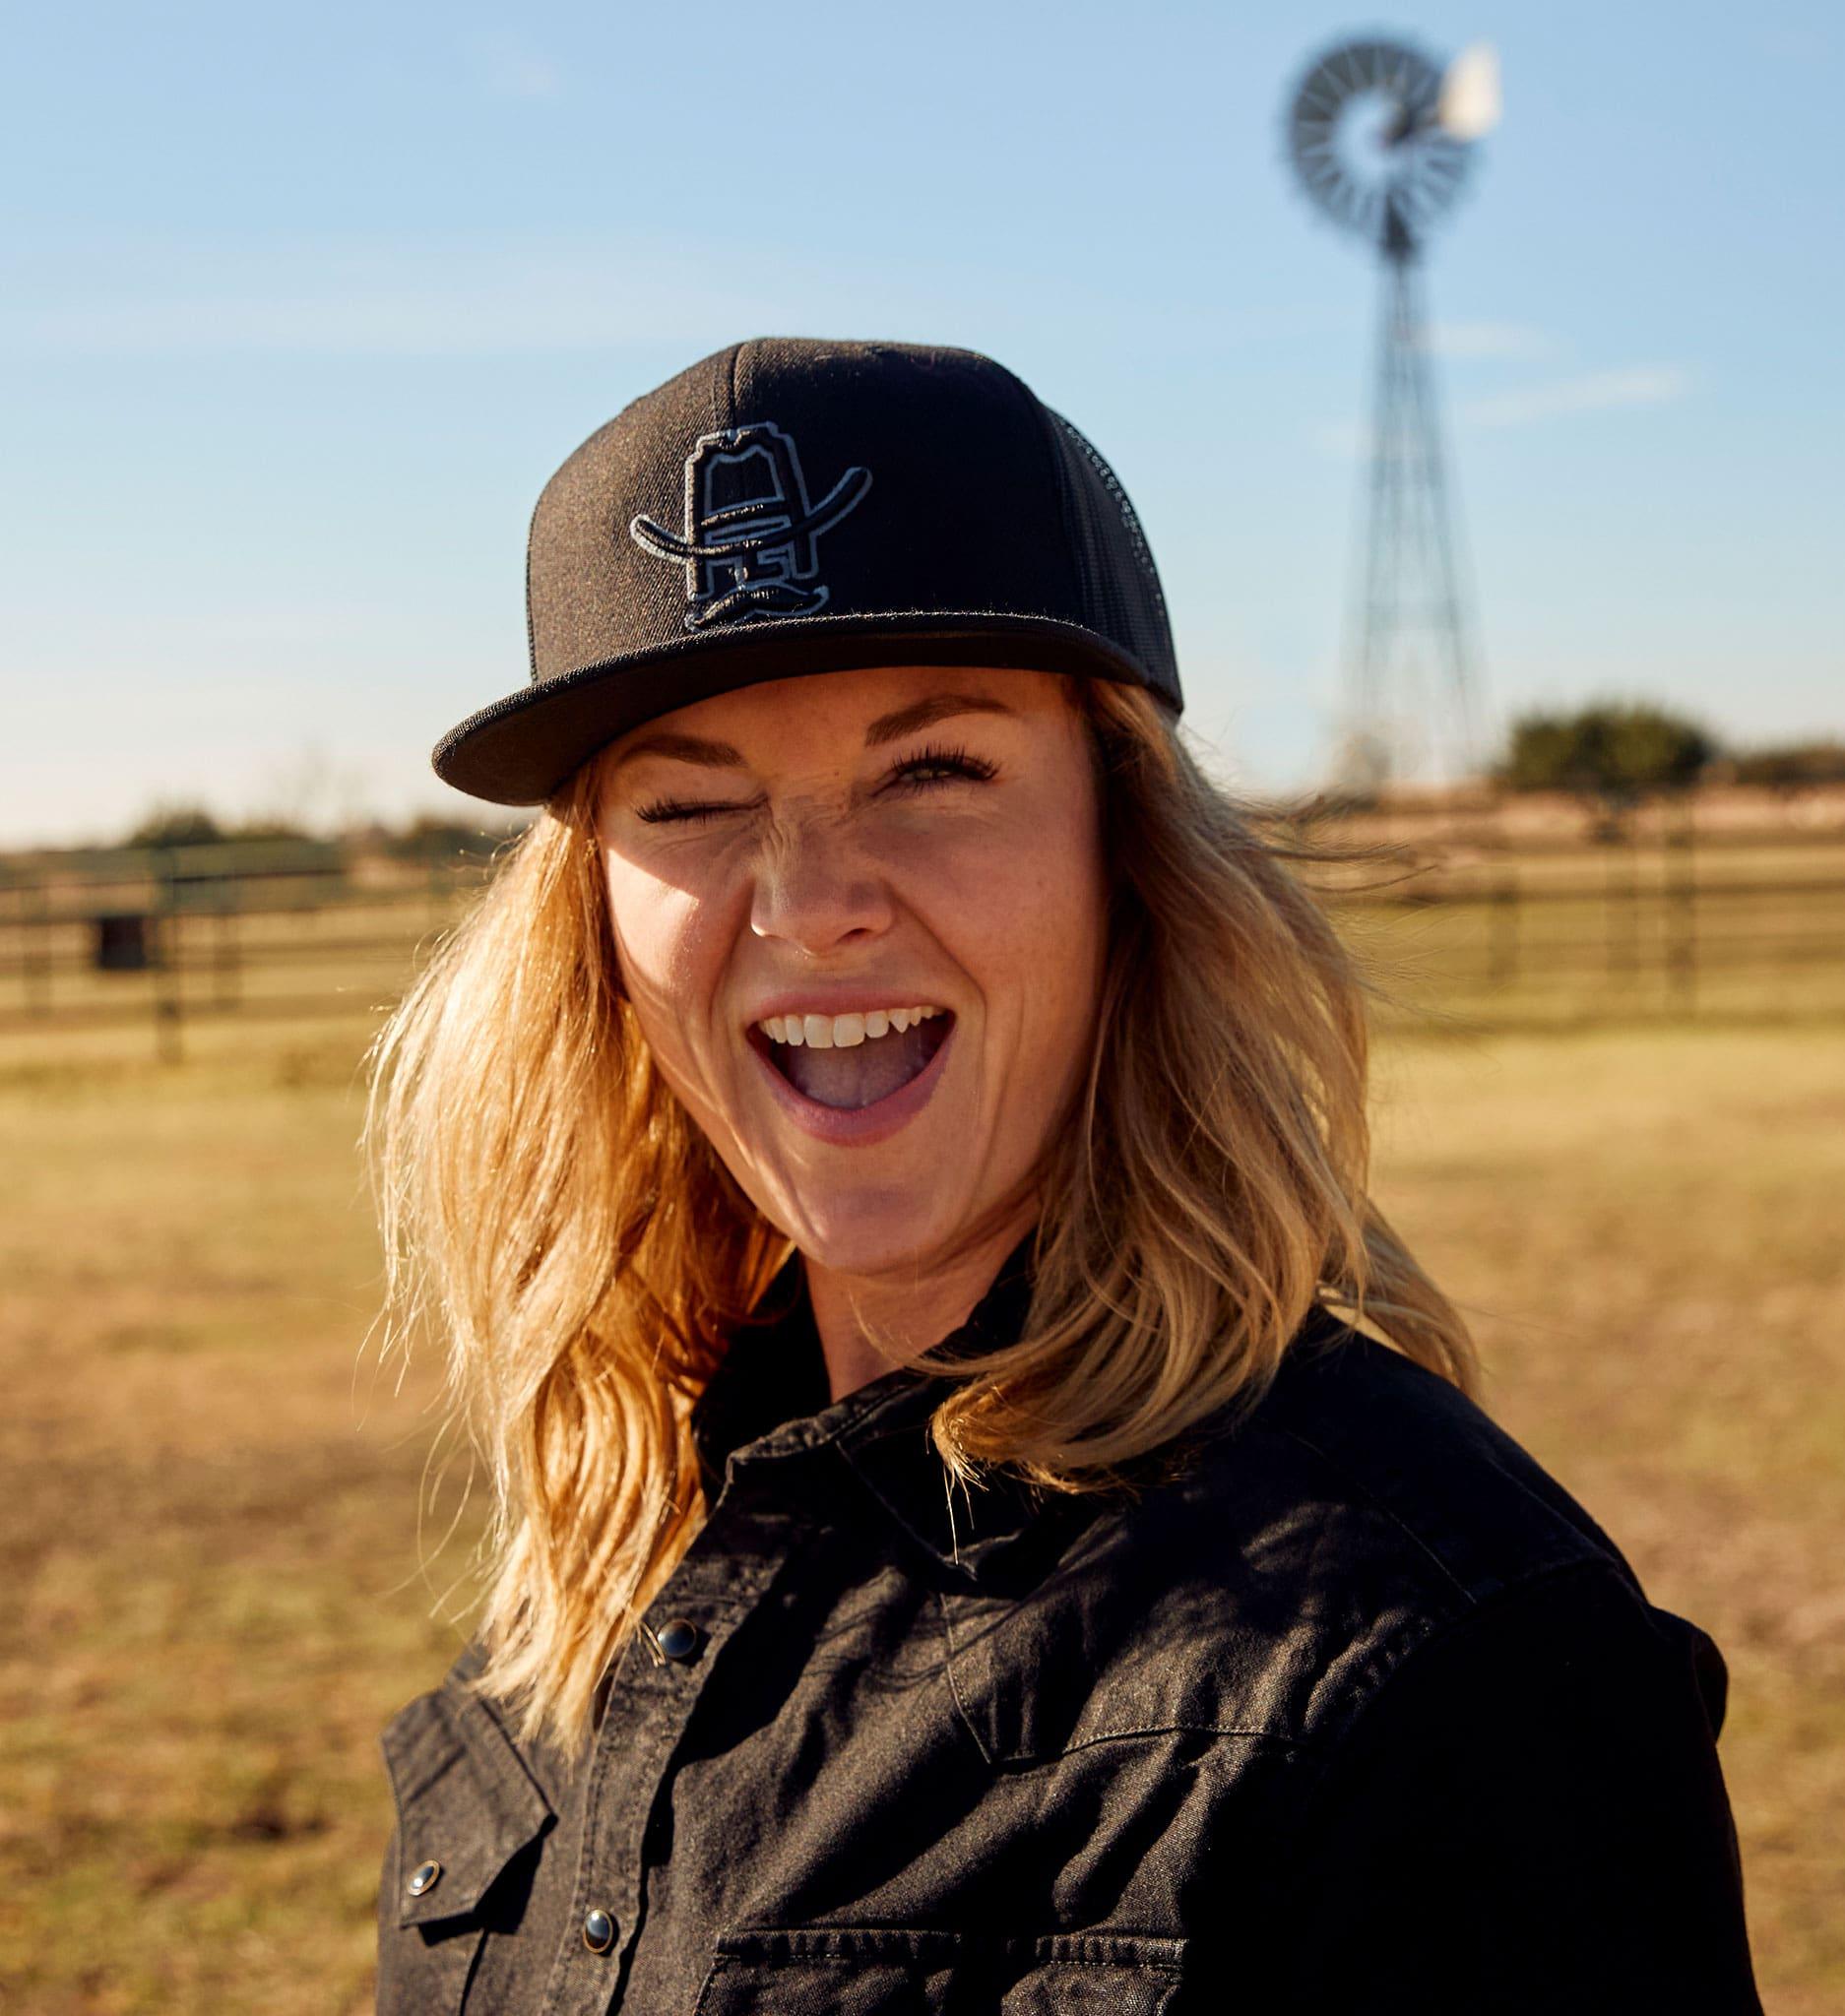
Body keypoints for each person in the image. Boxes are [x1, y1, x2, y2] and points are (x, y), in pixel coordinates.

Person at [367, 338, 1764, 2014]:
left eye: (933, 772)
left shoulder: (1437, 1665)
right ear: (590, 914)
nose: (808, 905)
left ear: (1130, 852)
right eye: (687, 804)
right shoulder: (630, 1524)